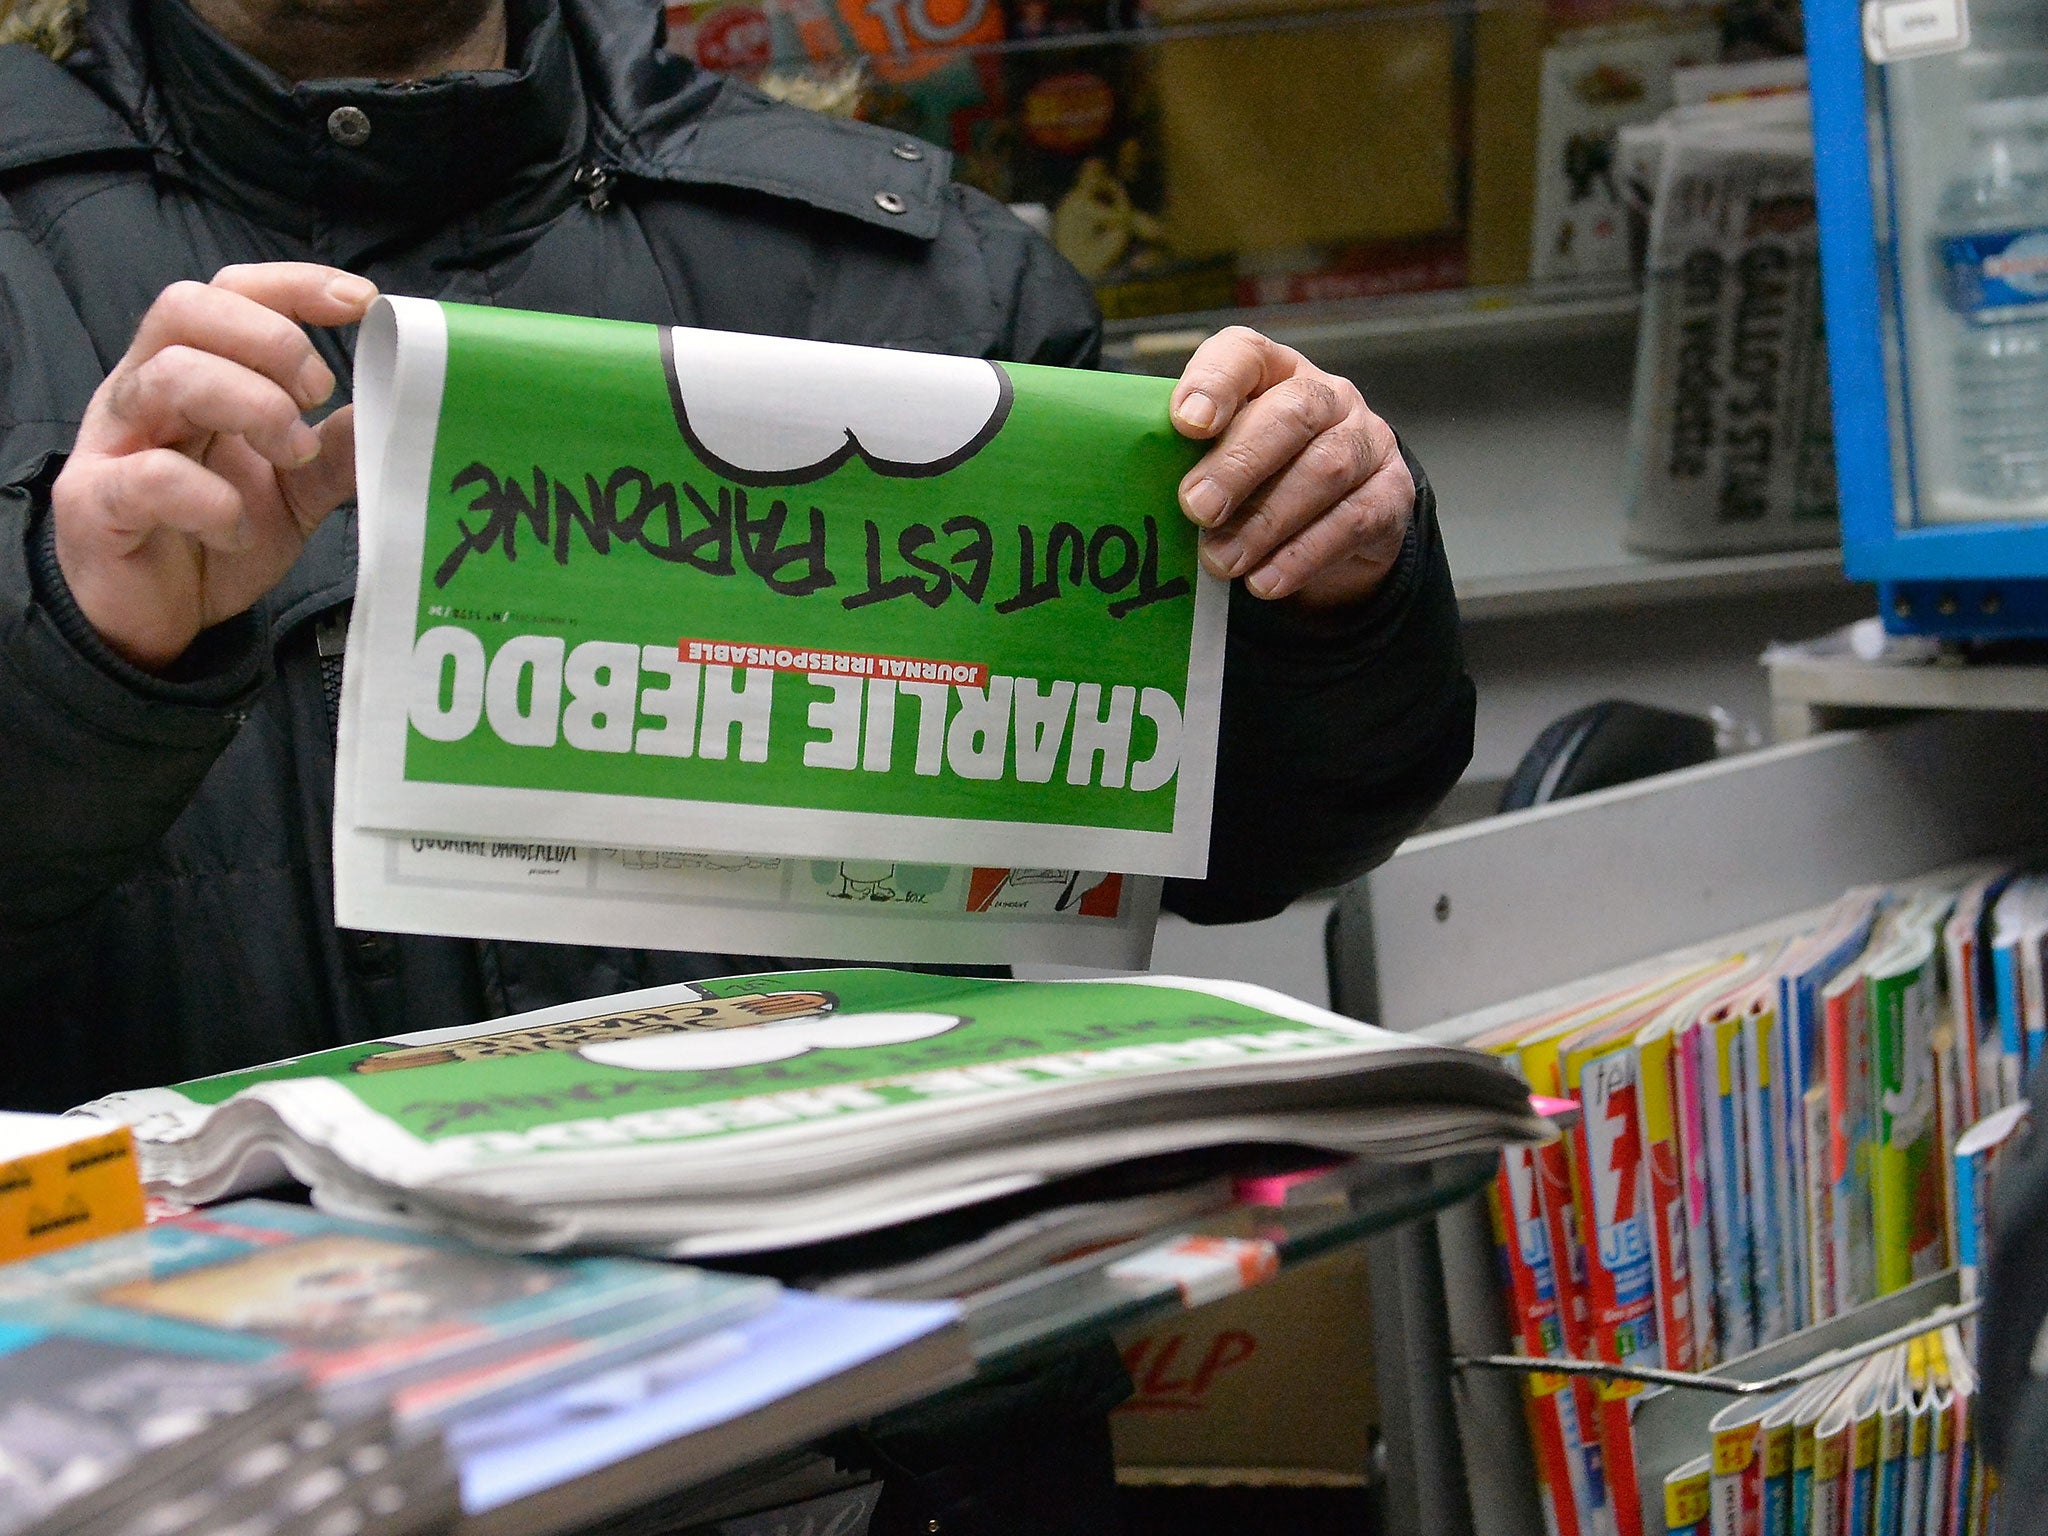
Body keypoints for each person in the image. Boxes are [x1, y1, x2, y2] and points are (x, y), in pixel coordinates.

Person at [0, 0, 1473, 1528]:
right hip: (233, 1479)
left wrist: (1337, 582)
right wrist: (83, 649)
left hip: (913, 1475)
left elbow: (1255, 833)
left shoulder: (900, 263)